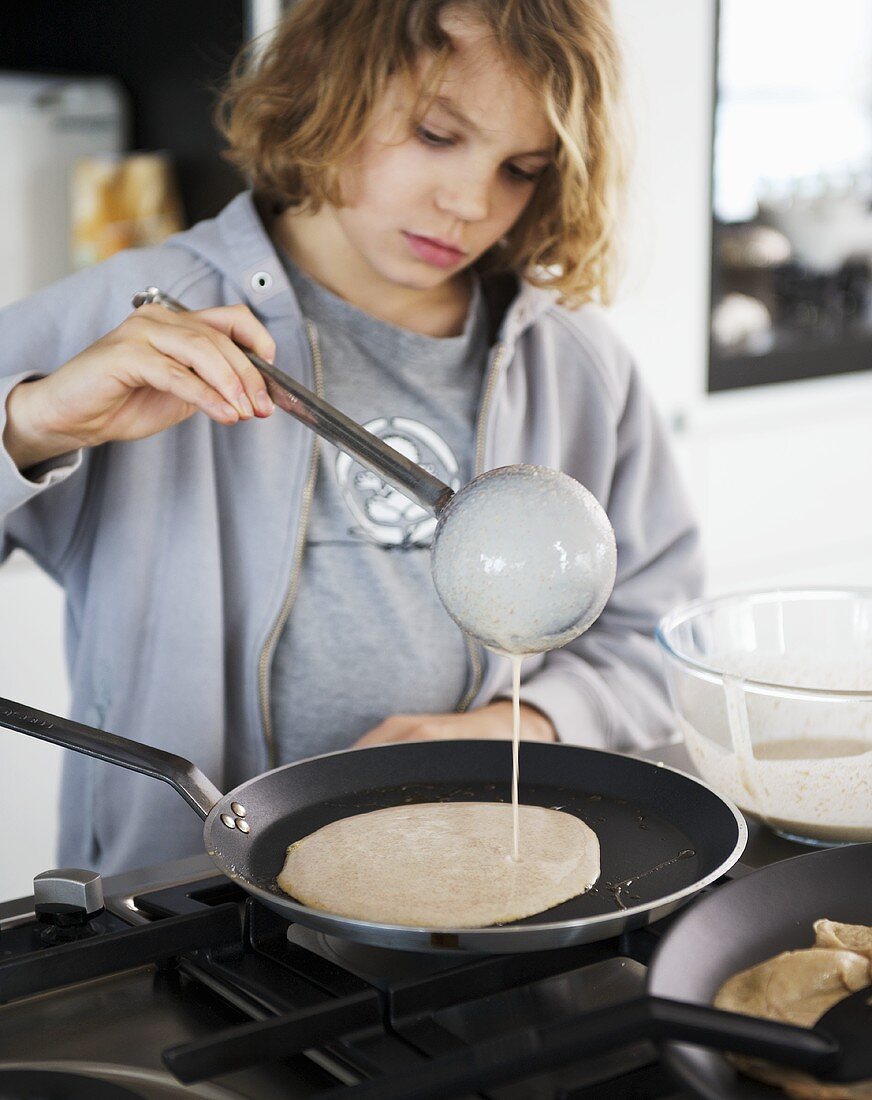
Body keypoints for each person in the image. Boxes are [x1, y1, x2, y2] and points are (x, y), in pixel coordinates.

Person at [0, 0, 702, 876]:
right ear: (331, 87)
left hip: (479, 885)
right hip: (180, 901)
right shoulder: (136, 313)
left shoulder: (576, 363)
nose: (470, 202)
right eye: (437, 134)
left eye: (521, 168)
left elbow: (656, 636)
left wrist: (517, 725)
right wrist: (31, 420)